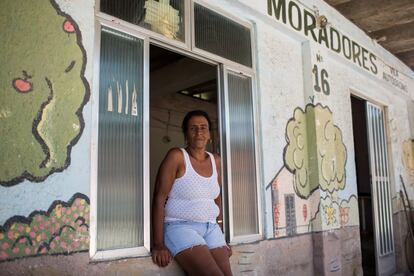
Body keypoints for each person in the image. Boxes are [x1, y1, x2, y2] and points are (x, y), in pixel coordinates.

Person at [151, 110, 232, 276]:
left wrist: (221, 234)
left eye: (203, 128)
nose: (199, 132)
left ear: (209, 134)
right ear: (186, 134)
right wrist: (158, 244)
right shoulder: (177, 157)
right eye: (193, 128)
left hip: (211, 228)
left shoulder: (216, 160)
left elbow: (215, 198)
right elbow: (159, 199)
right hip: (180, 226)